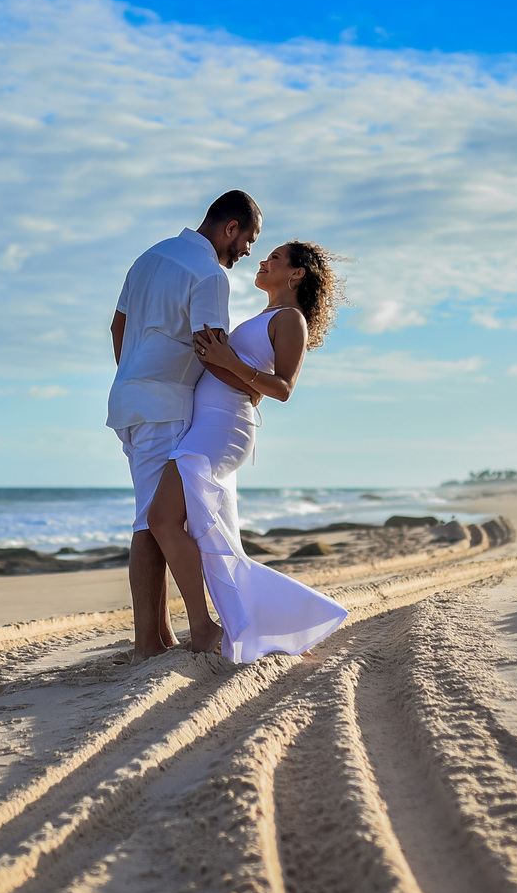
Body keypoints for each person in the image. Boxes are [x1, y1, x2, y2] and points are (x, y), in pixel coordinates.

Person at [147, 240, 348, 661]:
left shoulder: (291, 319)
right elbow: (252, 385)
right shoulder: (265, 316)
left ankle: (204, 628)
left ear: (297, 274)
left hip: (222, 430)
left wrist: (228, 360)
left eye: (274, 257)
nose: (264, 260)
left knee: (163, 518)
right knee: (182, 524)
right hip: (211, 424)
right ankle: (215, 625)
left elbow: (283, 388)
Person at [108, 191, 263, 660]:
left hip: (130, 400)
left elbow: (118, 327)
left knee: (152, 516)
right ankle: (147, 644)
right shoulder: (209, 275)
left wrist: (134, 374)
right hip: (166, 403)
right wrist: (250, 389)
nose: (246, 252)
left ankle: (158, 636)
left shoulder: (149, 257)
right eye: (249, 240)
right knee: (153, 521)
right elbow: (210, 348)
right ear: (230, 228)